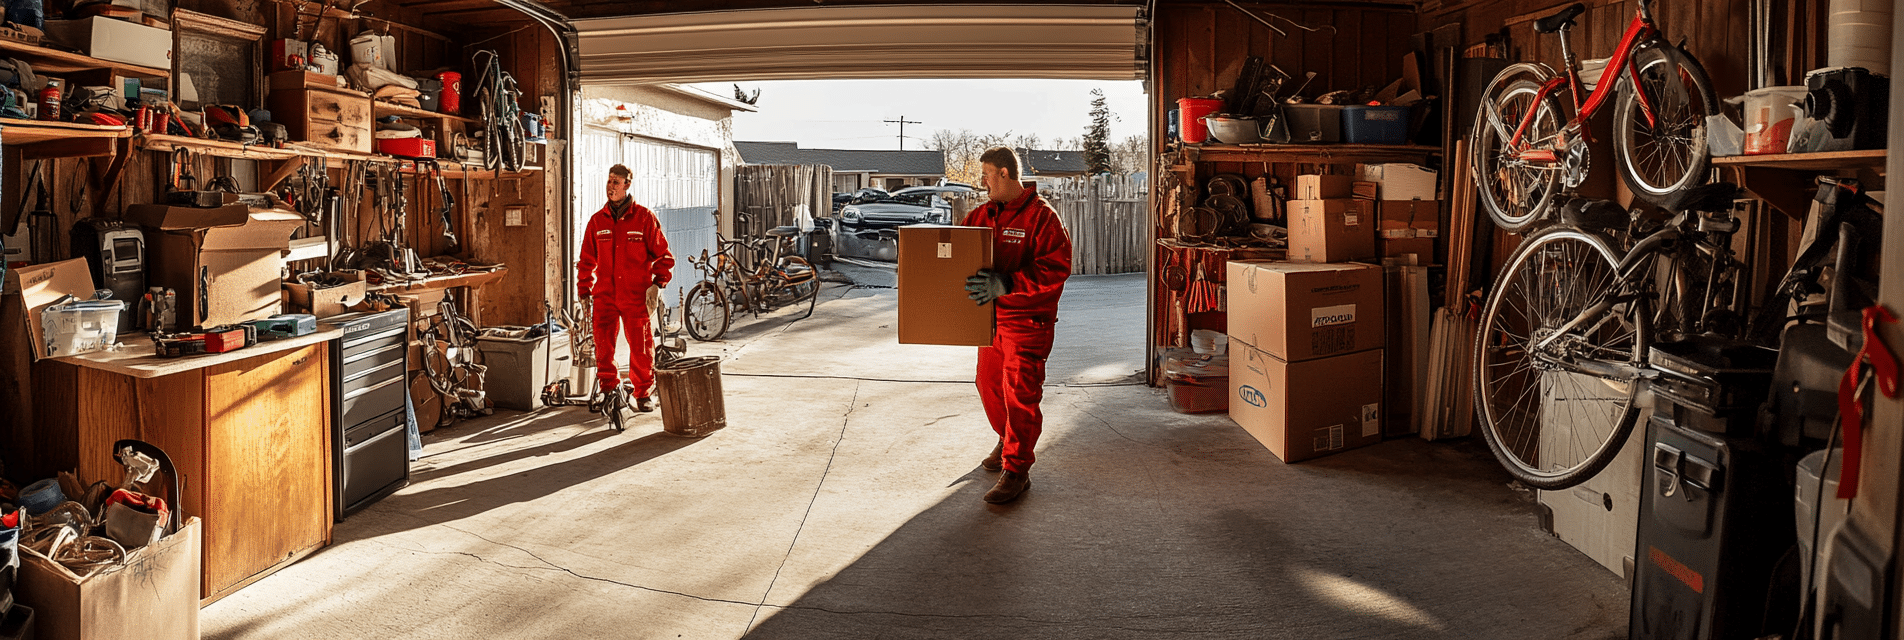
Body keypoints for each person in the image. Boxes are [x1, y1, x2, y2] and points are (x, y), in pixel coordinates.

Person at [962, 147, 1073, 504]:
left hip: (1027, 321)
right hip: (990, 321)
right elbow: (955, 254)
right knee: (988, 384)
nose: (983, 182)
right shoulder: (981, 216)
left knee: (1020, 393)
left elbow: (1056, 268)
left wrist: (1008, 283)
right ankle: (1007, 437)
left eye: (986, 175)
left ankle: (1017, 469)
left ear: (1006, 174)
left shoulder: (1043, 218)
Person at [576, 164, 675, 413]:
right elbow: (587, 259)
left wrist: (658, 284)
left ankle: (643, 394)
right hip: (605, 296)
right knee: (603, 346)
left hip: (635, 295)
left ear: (627, 185)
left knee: (641, 347)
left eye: (616, 182)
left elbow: (663, 256)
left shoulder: (644, 218)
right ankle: (609, 389)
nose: (611, 186)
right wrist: (584, 290)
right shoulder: (597, 221)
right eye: (608, 181)